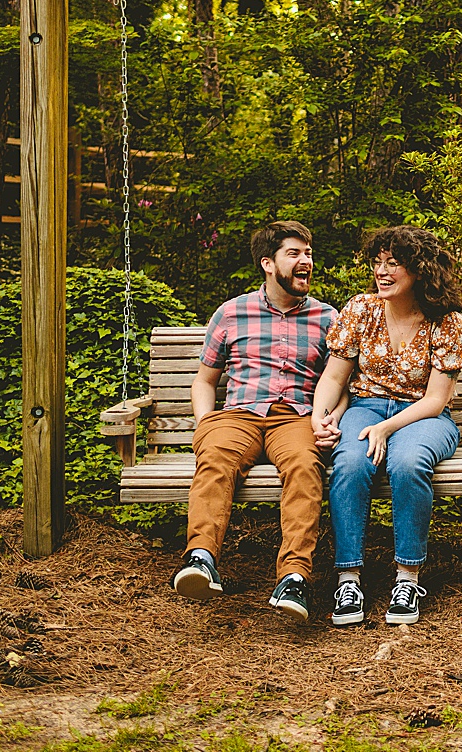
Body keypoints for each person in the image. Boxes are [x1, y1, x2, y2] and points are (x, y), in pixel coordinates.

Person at [170, 220, 339, 622]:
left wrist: (329, 418)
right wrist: (205, 421)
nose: (306, 262)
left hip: (297, 417)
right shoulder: (231, 313)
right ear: (268, 263)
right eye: (294, 254)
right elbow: (204, 380)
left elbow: (340, 381)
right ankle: (202, 559)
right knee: (215, 458)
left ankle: (294, 578)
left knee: (305, 466)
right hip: (239, 415)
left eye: (309, 254)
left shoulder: (328, 317)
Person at [312, 225, 462, 627]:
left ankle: (407, 577)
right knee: (348, 463)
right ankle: (348, 579)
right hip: (364, 407)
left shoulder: (446, 320)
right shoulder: (361, 310)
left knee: (408, 463)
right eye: (377, 263)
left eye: (393, 264)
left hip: (424, 416)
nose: (382, 271)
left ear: (419, 270)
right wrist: (320, 414)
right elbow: (333, 378)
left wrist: (387, 428)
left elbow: (437, 399)